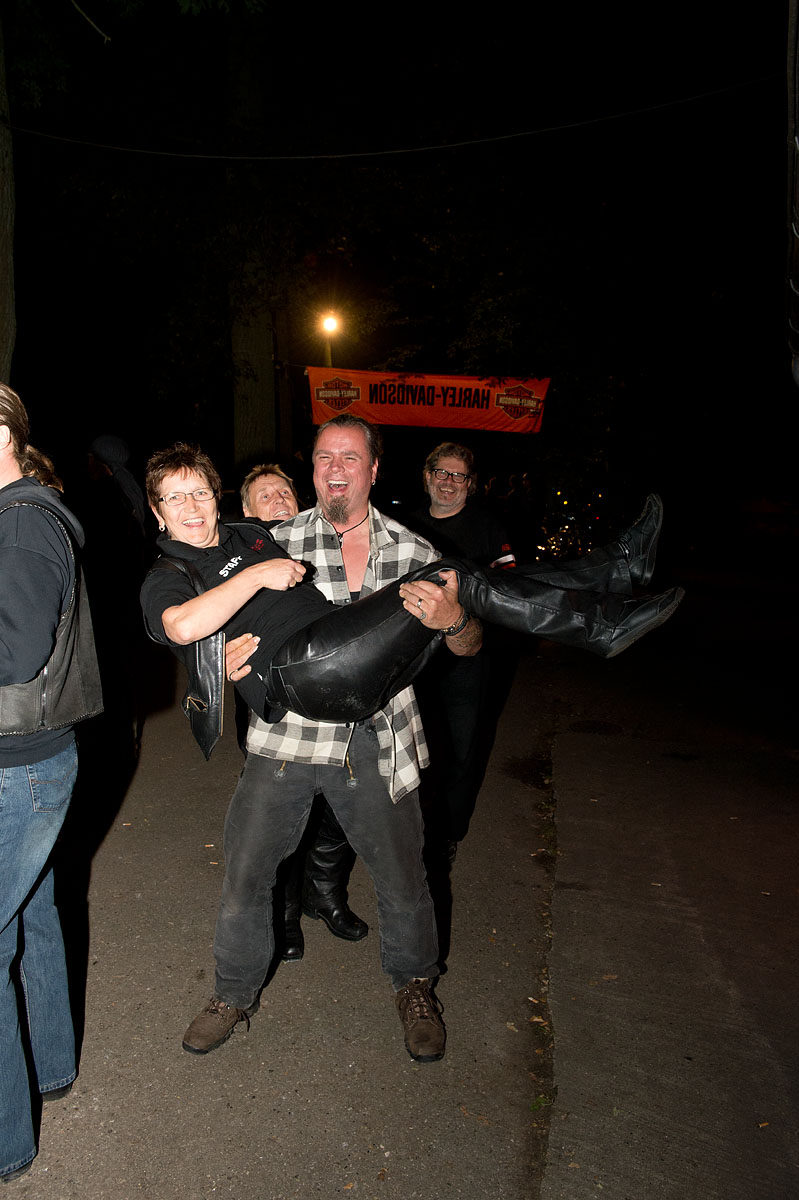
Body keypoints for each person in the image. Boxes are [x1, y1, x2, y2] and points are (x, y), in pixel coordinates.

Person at [140, 423, 681, 1065]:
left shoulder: (403, 546)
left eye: (350, 457)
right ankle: (230, 994)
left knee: (403, 878)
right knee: (245, 876)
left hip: (378, 732)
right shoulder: (275, 539)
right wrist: (216, 660)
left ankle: (416, 988)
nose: (335, 468)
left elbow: (470, 647)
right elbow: (188, 617)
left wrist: (455, 621)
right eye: (323, 457)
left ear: (375, 470)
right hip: (290, 732)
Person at [0, 383, 102, 1183]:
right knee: (33, 916)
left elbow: (16, 650)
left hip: (16, 770)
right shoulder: (21, 516)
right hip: (30, 764)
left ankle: (6, 1142)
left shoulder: (24, 522)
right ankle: (50, 1066)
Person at [239, 463, 367, 961]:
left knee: (343, 800)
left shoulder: (328, 539)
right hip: (274, 698)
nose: (277, 499)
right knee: (286, 813)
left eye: (284, 491)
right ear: (247, 511)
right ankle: (287, 912)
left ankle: (325, 892)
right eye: (264, 495)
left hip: (335, 690)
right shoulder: (240, 553)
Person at [407, 442, 515, 856]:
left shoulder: (487, 528)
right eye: (442, 473)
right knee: (413, 746)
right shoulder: (408, 525)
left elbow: (510, 589)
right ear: (427, 477)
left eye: (459, 475)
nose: (448, 482)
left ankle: (447, 834)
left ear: (471, 484)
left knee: (459, 748)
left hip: (466, 656)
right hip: (415, 658)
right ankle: (411, 828)